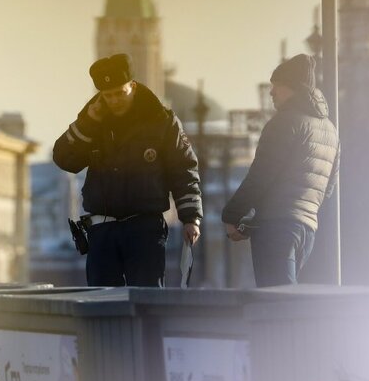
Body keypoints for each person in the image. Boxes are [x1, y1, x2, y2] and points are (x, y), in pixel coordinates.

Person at [53, 53, 202, 286]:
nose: (114, 101)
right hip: (102, 229)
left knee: (147, 300)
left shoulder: (161, 120)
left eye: (120, 93)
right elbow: (64, 159)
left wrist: (191, 217)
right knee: (101, 303)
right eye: (108, 96)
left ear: (132, 85)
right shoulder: (92, 122)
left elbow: (183, 168)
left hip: (145, 228)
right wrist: (87, 124)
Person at [221, 54, 339, 286]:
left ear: (293, 88)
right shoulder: (330, 129)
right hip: (307, 229)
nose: (272, 92)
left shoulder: (284, 122)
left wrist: (232, 214)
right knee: (291, 299)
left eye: (278, 86)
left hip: (277, 228)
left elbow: (262, 174)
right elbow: (329, 187)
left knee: (277, 302)